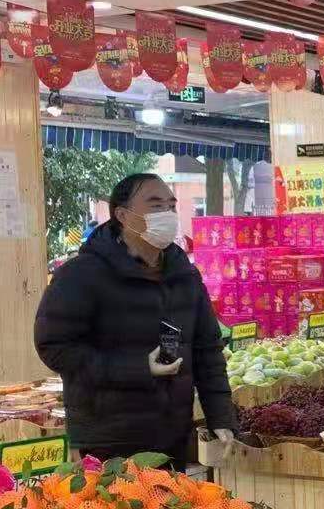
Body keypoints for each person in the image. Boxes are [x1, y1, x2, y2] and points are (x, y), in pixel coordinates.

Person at [34, 174, 236, 470]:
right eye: (155, 206)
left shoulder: (185, 275)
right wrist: (138, 368)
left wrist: (220, 416)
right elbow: (55, 348)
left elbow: (208, 350)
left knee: (170, 501)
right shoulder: (81, 275)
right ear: (123, 215)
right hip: (107, 439)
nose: (167, 214)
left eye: (171, 206)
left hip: (171, 435)